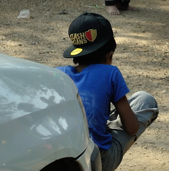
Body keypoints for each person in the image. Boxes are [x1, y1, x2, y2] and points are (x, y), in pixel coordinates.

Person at [58, 13, 159, 171]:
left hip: (61, 161)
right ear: (109, 55)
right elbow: (132, 128)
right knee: (145, 100)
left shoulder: (58, 74)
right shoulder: (110, 73)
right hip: (96, 162)